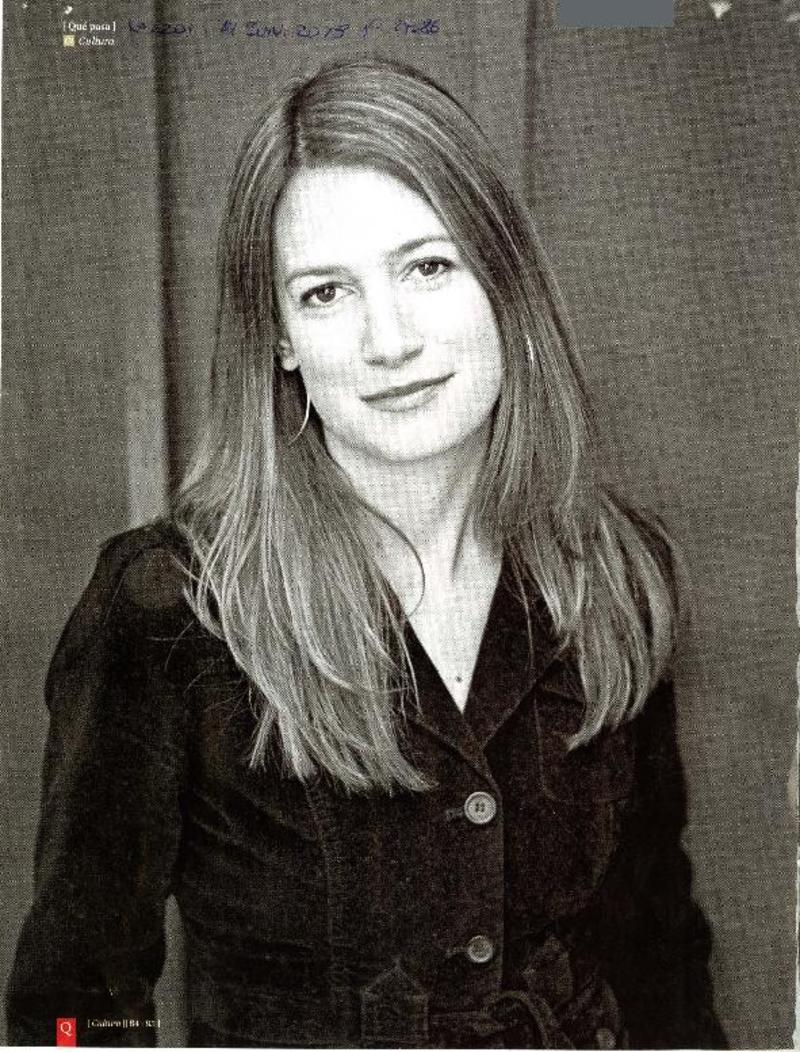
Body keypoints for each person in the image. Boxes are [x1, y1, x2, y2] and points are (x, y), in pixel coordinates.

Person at [6, 57, 727, 1049]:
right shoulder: (167, 609)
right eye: (325, 292)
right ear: (280, 338)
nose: (388, 339)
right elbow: (71, 1009)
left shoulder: (611, 571)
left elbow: (661, 965)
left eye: (427, 267)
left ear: (502, 281)